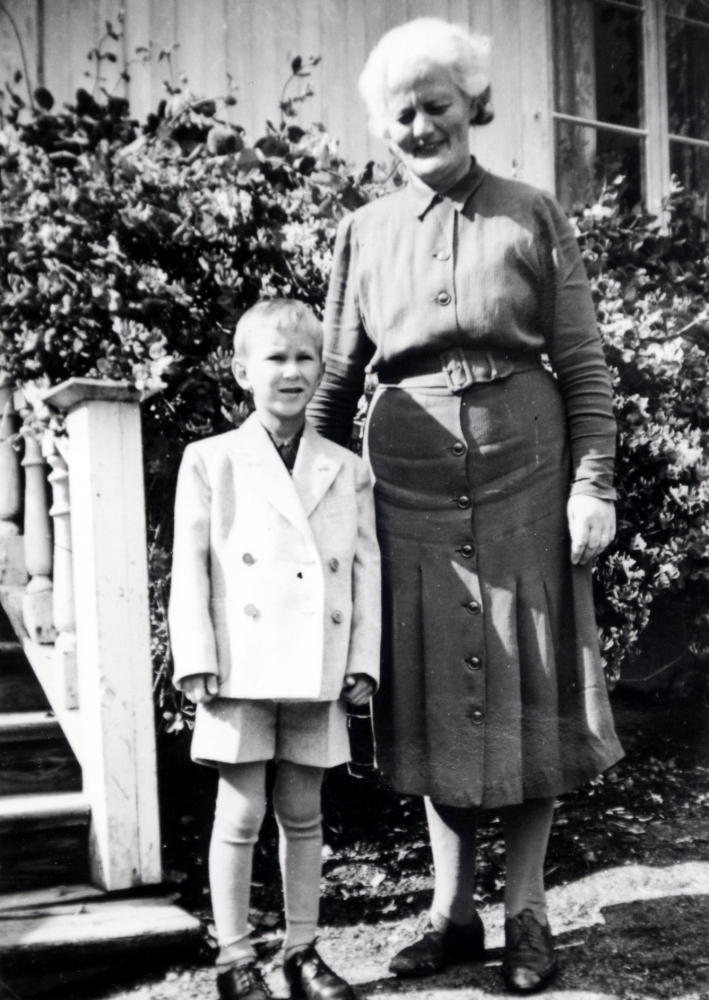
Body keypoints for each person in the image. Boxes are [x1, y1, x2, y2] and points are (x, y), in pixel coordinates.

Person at [308, 17, 623, 994]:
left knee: (528, 684)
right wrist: (297, 490)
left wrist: (593, 482)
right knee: (438, 693)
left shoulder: (531, 212)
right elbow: (332, 372)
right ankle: (450, 914)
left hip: (527, 468)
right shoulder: (360, 234)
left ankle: (526, 911)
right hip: (405, 481)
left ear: (471, 107)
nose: (417, 125)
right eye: (398, 114)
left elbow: (580, 364)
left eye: (435, 105)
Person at [169, 299, 381, 1000]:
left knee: (303, 812)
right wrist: (195, 655)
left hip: (317, 663)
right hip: (240, 663)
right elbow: (191, 565)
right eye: (275, 358)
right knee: (239, 812)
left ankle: (301, 951)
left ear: (322, 369)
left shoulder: (345, 468)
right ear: (241, 370)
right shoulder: (212, 460)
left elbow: (362, 570)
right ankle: (235, 958)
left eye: (305, 359)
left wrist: (363, 660)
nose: (291, 372)